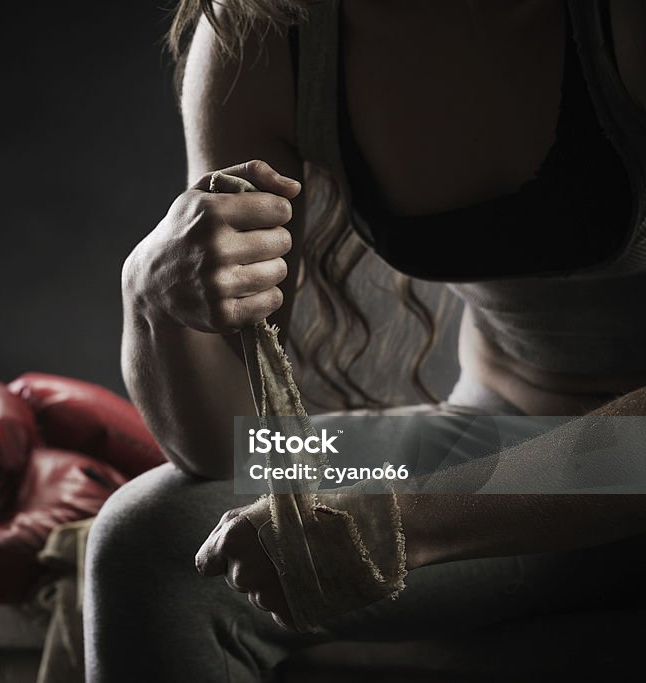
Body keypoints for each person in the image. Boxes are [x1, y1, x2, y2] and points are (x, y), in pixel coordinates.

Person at [85, 0, 646, 680]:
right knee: (153, 539)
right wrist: (151, 299)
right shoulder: (268, 33)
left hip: (581, 467)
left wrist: (404, 522)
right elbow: (234, 450)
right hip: (497, 436)